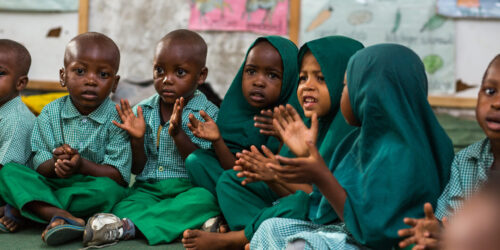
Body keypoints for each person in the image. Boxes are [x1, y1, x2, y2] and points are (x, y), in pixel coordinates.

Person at [250, 44, 454, 250]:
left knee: (301, 246)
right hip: (349, 230)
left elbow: (373, 232)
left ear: (369, 93)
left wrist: (321, 176)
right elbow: (328, 208)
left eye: (346, 86)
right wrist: (308, 154)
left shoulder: (403, 152)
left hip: (384, 244)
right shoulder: (361, 140)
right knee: (271, 228)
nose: (343, 95)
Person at [182, 36, 363, 250]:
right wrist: (270, 174)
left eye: (321, 78)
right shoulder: (307, 119)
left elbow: (317, 201)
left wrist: (274, 173)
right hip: (286, 201)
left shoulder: (349, 134)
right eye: (303, 78)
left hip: (318, 215)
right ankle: (253, 230)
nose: (307, 87)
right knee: (229, 180)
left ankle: (239, 237)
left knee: (298, 203)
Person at [82, 29, 220, 247]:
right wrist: (137, 139)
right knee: (121, 205)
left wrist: (178, 135)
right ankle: (184, 223)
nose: (167, 80)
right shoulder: (142, 112)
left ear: (201, 76)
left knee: (206, 200)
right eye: (159, 70)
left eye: (180, 72)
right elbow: (137, 169)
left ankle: (130, 227)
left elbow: (202, 166)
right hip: (149, 189)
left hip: (188, 188)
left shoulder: (207, 115)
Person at [0, 32, 131, 246]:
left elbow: (118, 175)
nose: (90, 80)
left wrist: (81, 165)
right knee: (10, 172)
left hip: (89, 188)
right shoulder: (50, 112)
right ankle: (64, 216)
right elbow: (39, 165)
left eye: (103, 74)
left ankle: (29, 208)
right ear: (63, 76)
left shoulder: (118, 118)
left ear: (115, 83)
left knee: (112, 192)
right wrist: (55, 164)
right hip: (52, 184)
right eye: (80, 71)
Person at [398, 54, 500, 250]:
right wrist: (436, 234)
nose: (497, 102)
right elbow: (448, 223)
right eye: (490, 91)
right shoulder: (466, 160)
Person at [184, 36, 298, 195]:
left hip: (273, 188)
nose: (258, 82)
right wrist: (218, 141)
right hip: (235, 181)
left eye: (272, 75)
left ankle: (234, 208)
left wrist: (282, 139)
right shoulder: (233, 111)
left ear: (289, 79)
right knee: (197, 161)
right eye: (251, 71)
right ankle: (230, 206)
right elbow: (232, 170)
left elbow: (286, 180)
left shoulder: (293, 119)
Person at [0, 39, 35, 233]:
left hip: (14, 184)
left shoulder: (17, 120)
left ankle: (15, 210)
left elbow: (5, 169)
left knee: (10, 177)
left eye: (0, 73)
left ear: (20, 82)